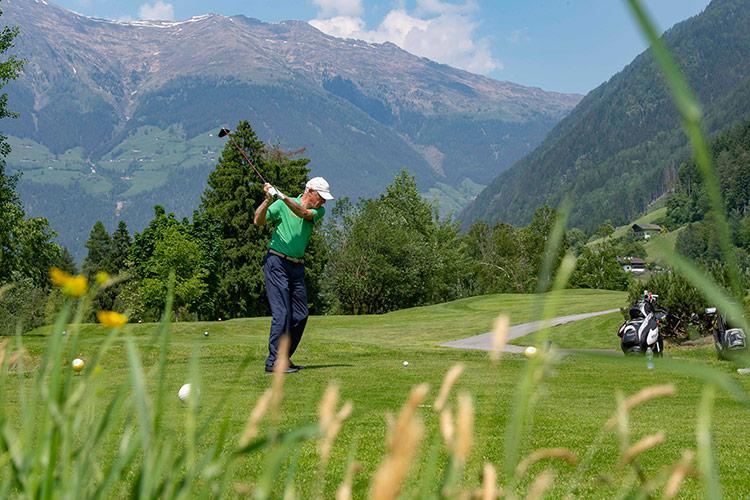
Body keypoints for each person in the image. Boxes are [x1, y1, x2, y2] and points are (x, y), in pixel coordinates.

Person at [253, 176, 333, 373]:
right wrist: (269, 200)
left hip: (296, 267)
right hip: (277, 262)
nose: (323, 201)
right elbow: (258, 220)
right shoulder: (281, 205)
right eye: (320, 197)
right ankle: (273, 362)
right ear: (310, 191)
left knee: (300, 315)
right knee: (282, 314)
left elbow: (303, 212)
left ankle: (283, 357)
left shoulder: (317, 211)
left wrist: (282, 196)